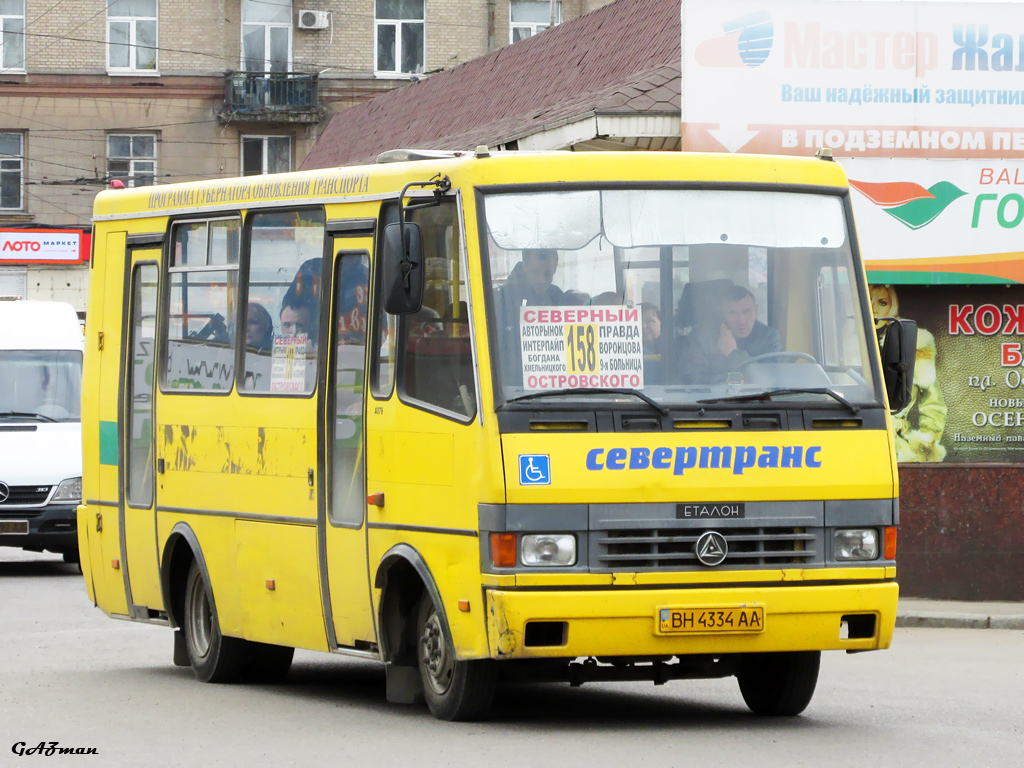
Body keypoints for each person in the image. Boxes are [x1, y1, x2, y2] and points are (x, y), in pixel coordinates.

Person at [870, 284, 947, 462]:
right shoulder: (844, 341)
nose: (874, 309)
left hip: (900, 448)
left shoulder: (916, 342)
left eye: (882, 303)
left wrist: (924, 441)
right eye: (870, 300)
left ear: (892, 306)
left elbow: (933, 404)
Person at [680, 284, 781, 384]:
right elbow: (692, 379)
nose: (741, 320)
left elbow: (769, 379)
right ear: (723, 314)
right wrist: (726, 381)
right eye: (733, 313)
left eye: (747, 312)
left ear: (755, 310)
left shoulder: (769, 336)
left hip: (759, 400)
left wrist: (733, 354)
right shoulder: (701, 337)